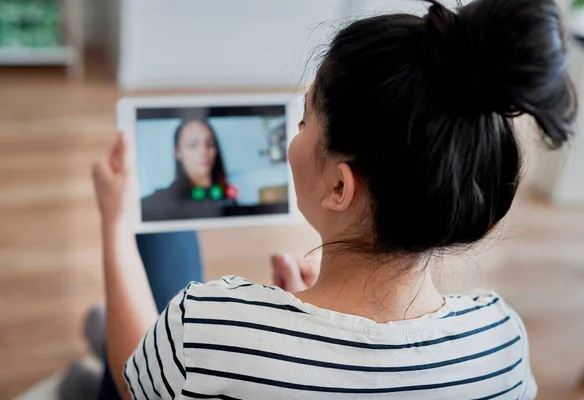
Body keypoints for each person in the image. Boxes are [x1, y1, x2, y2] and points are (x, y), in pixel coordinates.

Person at [91, 0, 576, 398]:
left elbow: (134, 380)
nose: (292, 137)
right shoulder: (500, 345)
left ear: (341, 187)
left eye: (304, 121)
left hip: (167, 358)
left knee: (160, 241)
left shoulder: (205, 325)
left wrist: (114, 223)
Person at [141, 120, 230, 221]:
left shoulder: (227, 198)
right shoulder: (158, 203)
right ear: (178, 152)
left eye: (209, 144)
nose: (203, 152)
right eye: (193, 145)